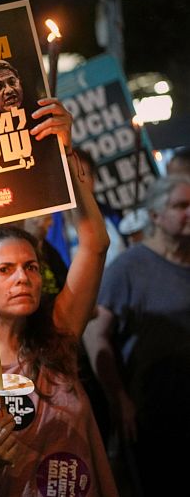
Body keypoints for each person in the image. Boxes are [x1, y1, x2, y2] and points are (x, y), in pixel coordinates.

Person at [0, 99, 117, 496]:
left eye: (31, 267)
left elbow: (95, 244)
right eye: (4, 270)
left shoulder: (59, 333)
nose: (23, 278)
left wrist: (63, 154)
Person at [82, 174, 190, 495]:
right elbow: (95, 335)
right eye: (181, 206)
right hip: (157, 414)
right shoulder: (128, 268)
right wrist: (118, 397)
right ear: (155, 215)